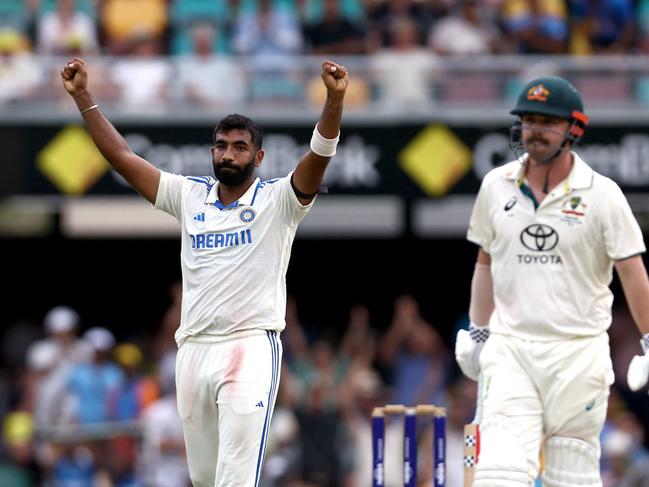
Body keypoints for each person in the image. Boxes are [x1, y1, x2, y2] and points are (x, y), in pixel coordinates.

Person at [60, 56, 348, 486]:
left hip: (249, 347)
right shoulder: (188, 195)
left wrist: (334, 99)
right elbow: (121, 158)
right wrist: (84, 96)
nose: (227, 154)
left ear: (259, 155)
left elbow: (319, 155)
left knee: (236, 477)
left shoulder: (278, 201)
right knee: (205, 478)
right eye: (221, 145)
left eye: (239, 146)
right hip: (193, 350)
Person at [455, 76, 649, 486]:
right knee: (498, 473)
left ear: (573, 129)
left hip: (578, 354)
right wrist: (477, 330)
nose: (534, 131)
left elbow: (632, 274)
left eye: (547, 121)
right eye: (528, 120)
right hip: (511, 349)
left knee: (571, 477)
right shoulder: (496, 185)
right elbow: (485, 262)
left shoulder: (603, 195)